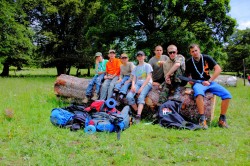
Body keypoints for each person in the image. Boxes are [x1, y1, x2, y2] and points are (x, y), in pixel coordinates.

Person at [185, 44, 232, 129]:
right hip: (198, 83)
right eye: (192, 51)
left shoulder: (207, 58)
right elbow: (187, 75)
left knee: (227, 95)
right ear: (190, 53)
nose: (195, 53)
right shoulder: (189, 62)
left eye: (196, 50)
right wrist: (190, 80)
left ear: (199, 50)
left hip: (209, 82)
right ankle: (202, 119)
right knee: (199, 94)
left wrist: (210, 81)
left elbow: (218, 69)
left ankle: (222, 119)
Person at [126, 51, 153, 123]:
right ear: (137, 58)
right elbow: (134, 78)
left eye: (141, 56)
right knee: (129, 96)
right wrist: (132, 86)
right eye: (138, 56)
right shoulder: (136, 68)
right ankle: (137, 111)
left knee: (141, 97)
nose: (140, 57)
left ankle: (138, 116)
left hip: (147, 83)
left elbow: (148, 77)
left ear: (144, 57)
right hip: (137, 84)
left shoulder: (148, 66)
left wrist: (141, 88)